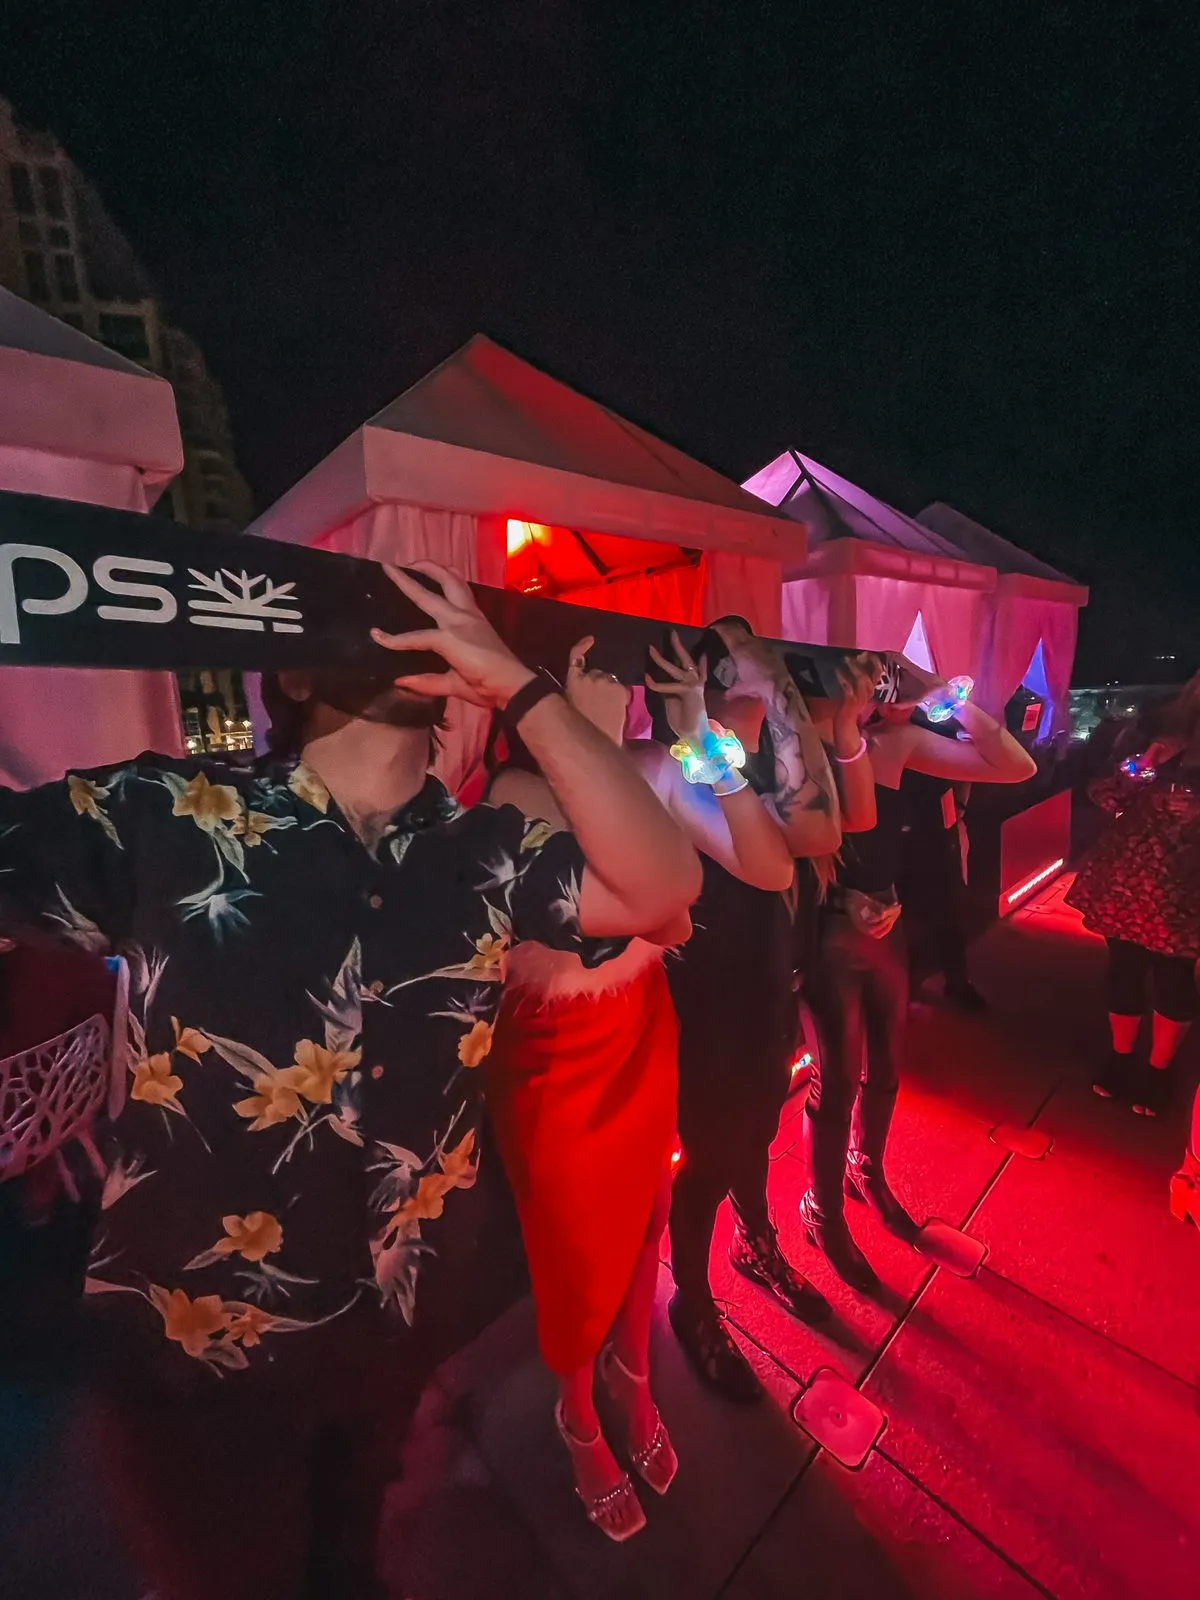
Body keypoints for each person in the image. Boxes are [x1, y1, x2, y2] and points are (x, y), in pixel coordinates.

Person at [0, 561, 701, 1600]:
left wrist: (521, 685)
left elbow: (663, 884)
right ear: (288, 675)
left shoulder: (482, 851)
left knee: (351, 1563)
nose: (394, 635)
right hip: (202, 1360)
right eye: (360, 619)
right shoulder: (168, 814)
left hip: (390, 1328)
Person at [484, 630, 794, 1540]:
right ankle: (576, 1410)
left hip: (642, 1024)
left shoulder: (659, 764)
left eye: (619, 668)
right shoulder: (513, 788)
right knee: (575, 1241)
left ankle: (634, 1372)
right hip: (553, 1047)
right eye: (588, 663)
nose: (616, 683)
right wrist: (572, 733)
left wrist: (703, 736)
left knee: (645, 1214)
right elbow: (623, 894)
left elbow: (770, 866)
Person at [660, 622, 878, 1403]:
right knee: (708, 1160)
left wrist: (787, 700)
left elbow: (838, 822)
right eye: (742, 654)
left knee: (755, 1136)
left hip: (769, 997)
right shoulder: (684, 758)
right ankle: (693, 1299)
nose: (771, 668)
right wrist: (771, 691)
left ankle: (756, 1247)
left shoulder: (748, 761)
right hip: (710, 1008)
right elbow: (794, 840)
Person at [801, 663, 1036, 1292]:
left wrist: (948, 694)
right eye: (879, 681)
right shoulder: (804, 734)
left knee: (886, 1069)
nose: (889, 693)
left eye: (890, 681)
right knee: (838, 1076)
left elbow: (1016, 766)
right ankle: (820, 1210)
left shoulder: (893, 743)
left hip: (886, 922)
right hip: (822, 931)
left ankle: (865, 1168)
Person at [1066, 672, 1200, 1116]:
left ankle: (1160, 1071)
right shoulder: (1153, 729)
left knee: (1174, 977)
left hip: (1188, 881)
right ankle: (1121, 1058)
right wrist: (1144, 763)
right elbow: (1102, 793)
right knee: (1124, 968)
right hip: (1129, 877)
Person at [898, 720, 986, 1012]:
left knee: (949, 910)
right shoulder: (879, 727)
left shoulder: (937, 720)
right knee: (902, 915)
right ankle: (906, 987)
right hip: (895, 827)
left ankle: (957, 982)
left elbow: (964, 765)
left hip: (938, 826)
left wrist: (959, 805)